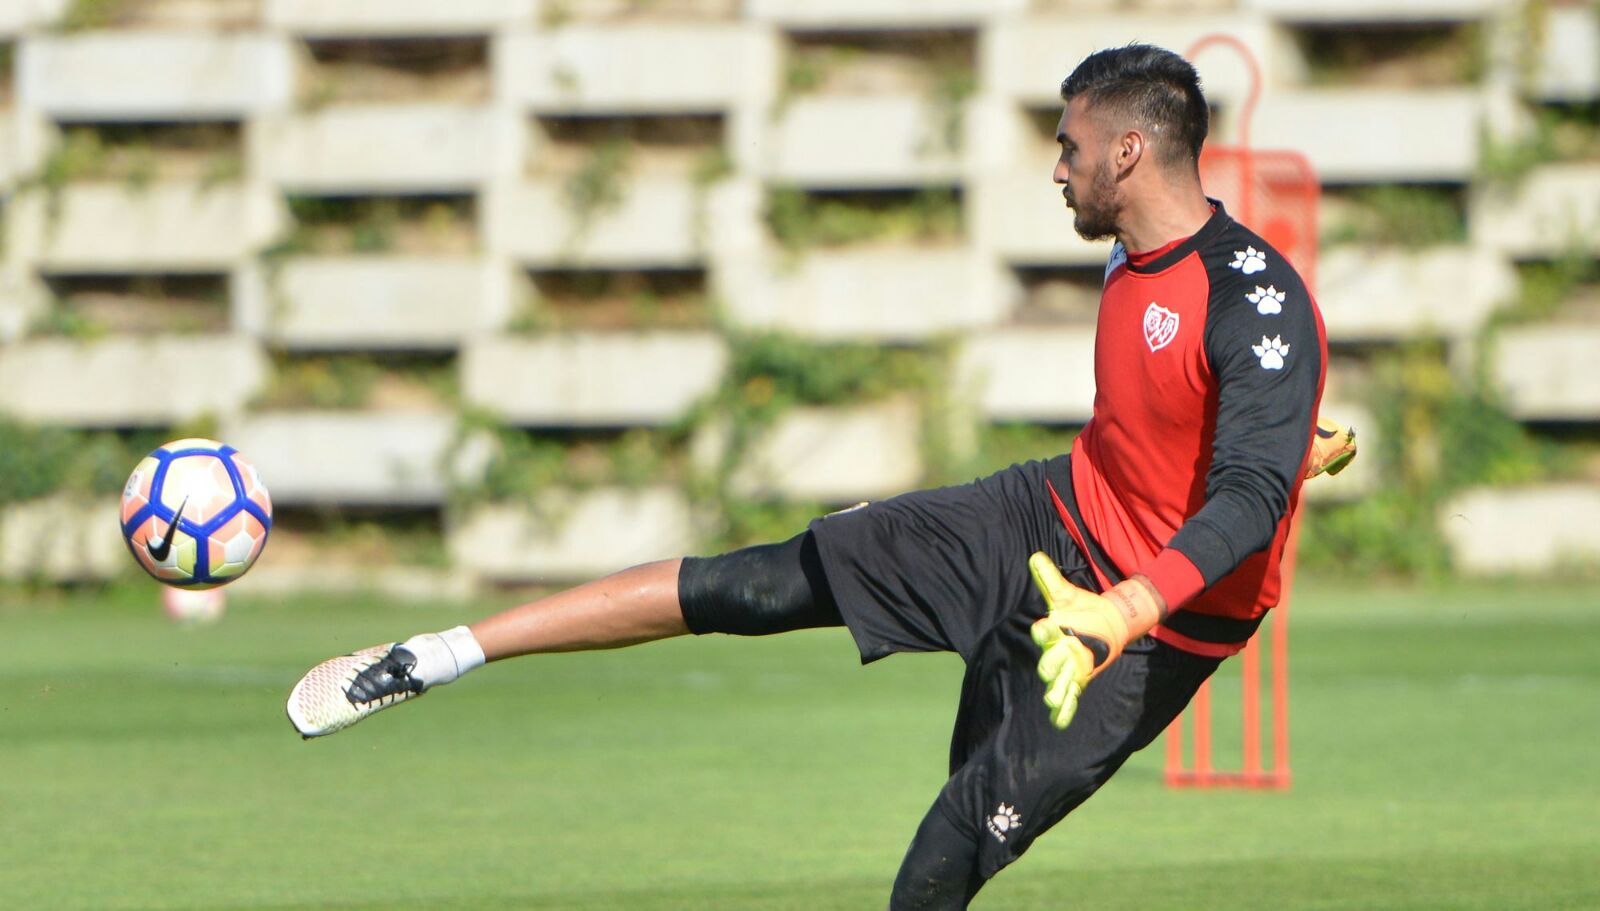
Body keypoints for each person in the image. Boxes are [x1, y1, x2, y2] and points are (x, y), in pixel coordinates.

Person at [286, 44, 1355, 909]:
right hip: (1049, 514)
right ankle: (438, 653)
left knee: (945, 851)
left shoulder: (1252, 299)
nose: (1055, 166)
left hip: (1152, 624)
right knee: (761, 581)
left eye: (1068, 145)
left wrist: (1130, 599)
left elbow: (1250, 504)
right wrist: (1264, 435)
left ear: (1128, 152)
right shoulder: (1130, 245)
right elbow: (1201, 425)